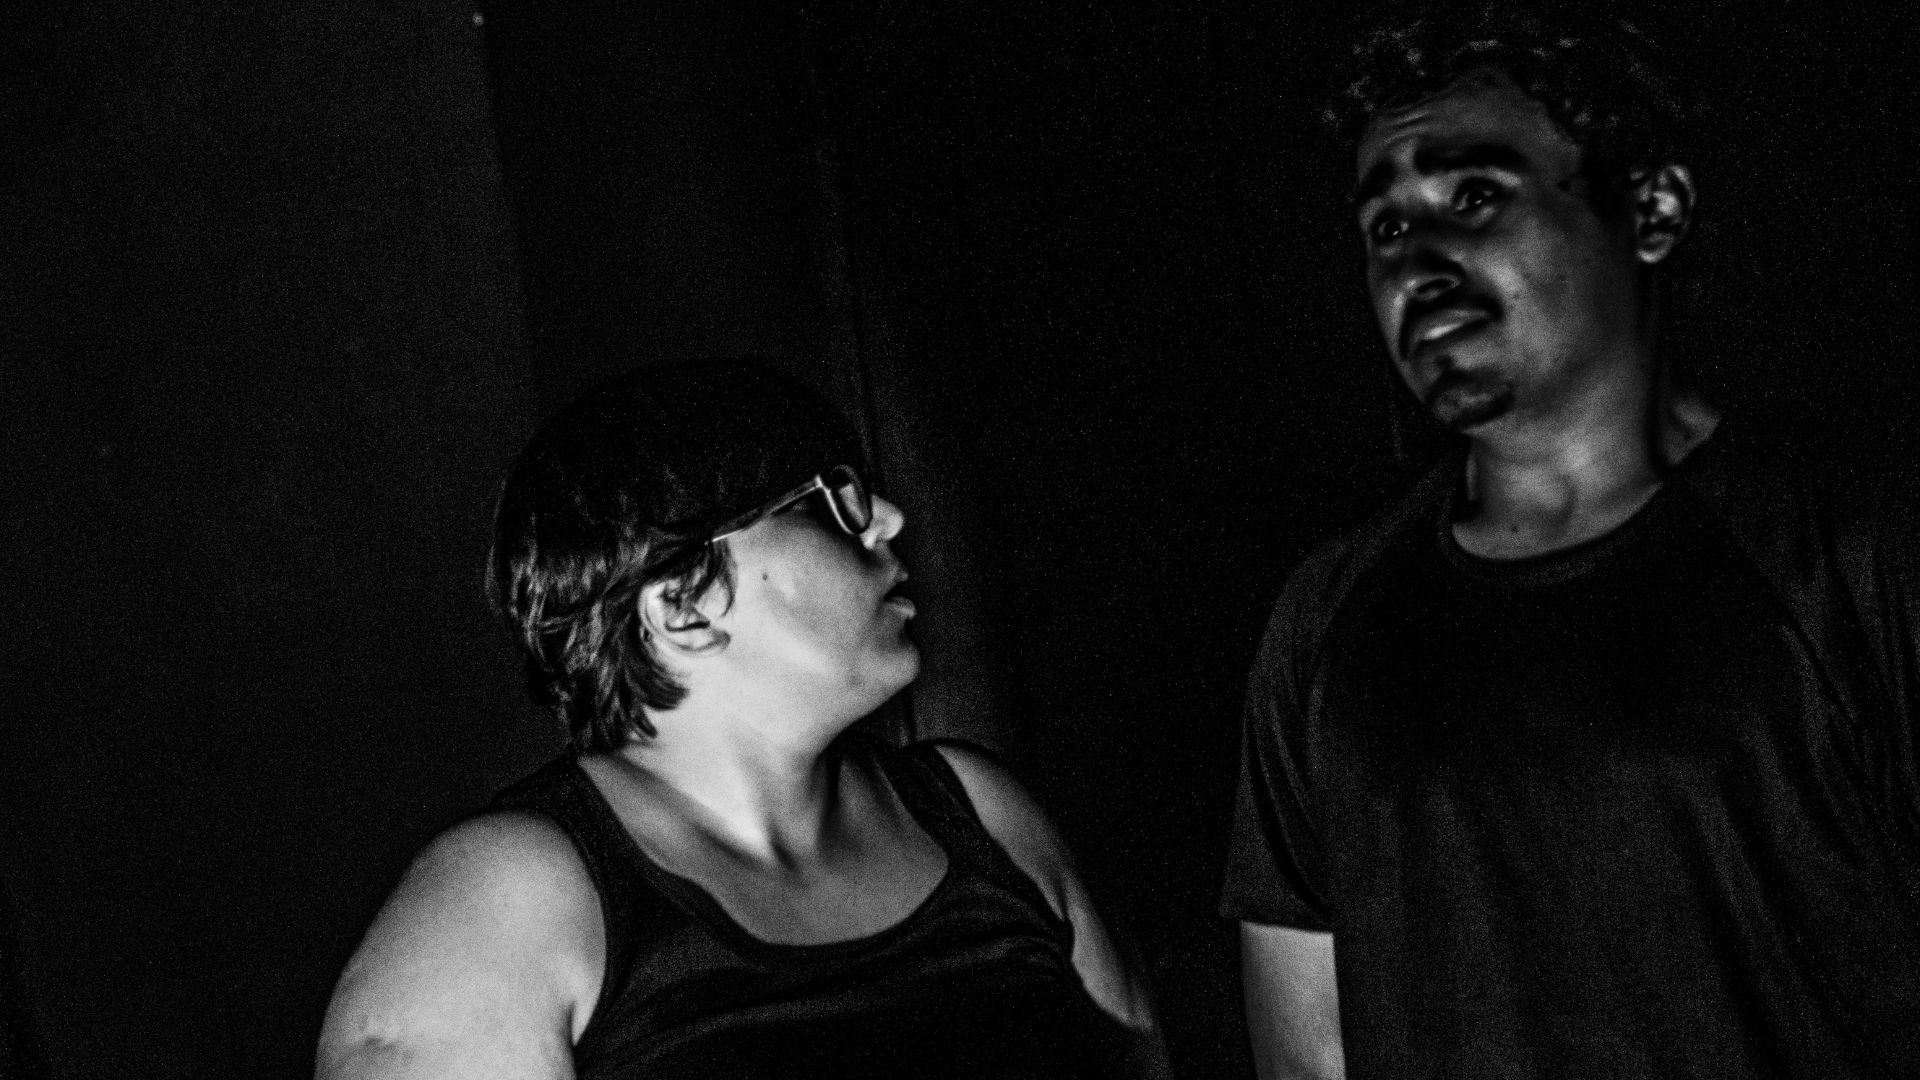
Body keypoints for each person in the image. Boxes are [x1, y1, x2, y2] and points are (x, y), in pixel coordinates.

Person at [1222, 4, 1920, 1078]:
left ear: (1652, 208)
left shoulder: (1852, 555)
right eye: (1387, 230)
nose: (1419, 265)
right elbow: (1309, 1054)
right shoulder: (1327, 617)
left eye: (1474, 198)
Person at [317, 360, 1166, 1079]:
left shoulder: (985, 815)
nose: (887, 519)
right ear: (683, 605)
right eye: (827, 499)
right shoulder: (509, 898)